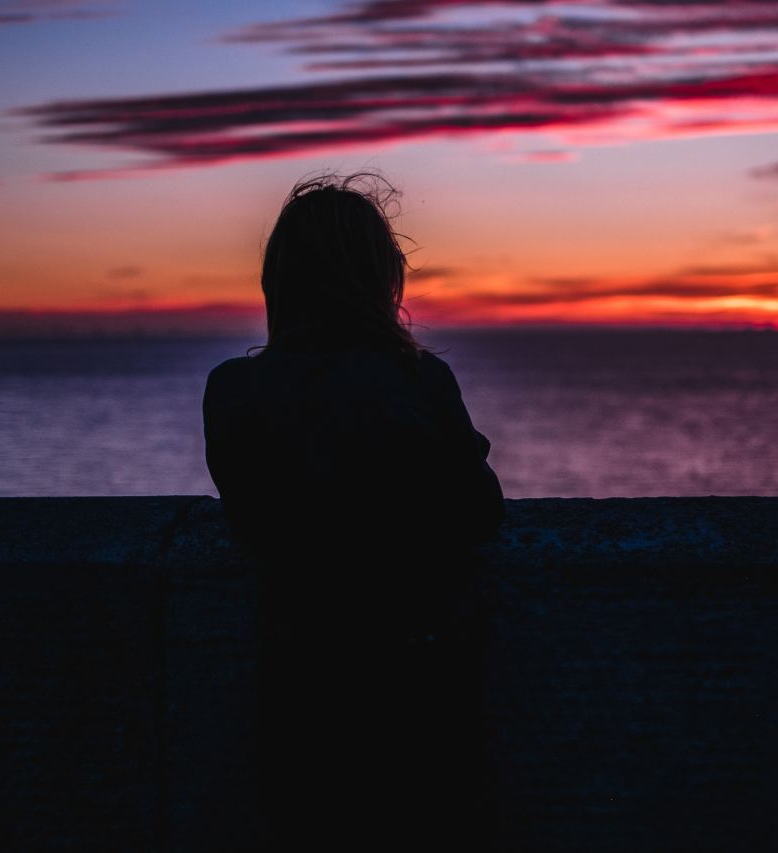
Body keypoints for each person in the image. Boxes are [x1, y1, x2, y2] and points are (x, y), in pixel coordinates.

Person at [202, 171, 505, 848]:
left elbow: (251, 521)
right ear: (378, 280)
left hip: (299, 687)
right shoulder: (416, 379)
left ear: (279, 280)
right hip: (421, 687)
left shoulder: (233, 391)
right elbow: (481, 513)